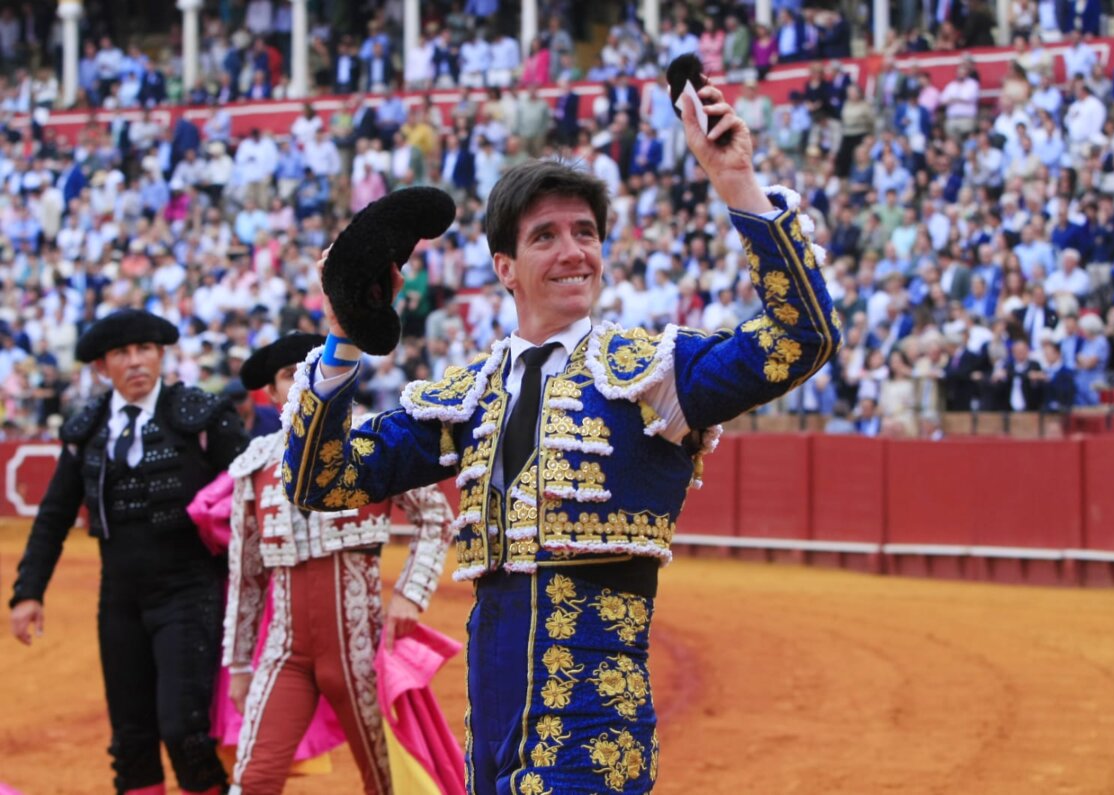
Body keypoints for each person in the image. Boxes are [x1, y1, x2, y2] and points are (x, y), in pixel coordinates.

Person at [282, 83, 840, 793]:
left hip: (594, 731)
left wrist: (735, 180)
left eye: (585, 231)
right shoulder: (472, 397)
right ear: (505, 268)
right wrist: (342, 339)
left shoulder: (651, 376)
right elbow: (321, 479)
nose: (573, 251)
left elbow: (803, 334)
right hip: (491, 728)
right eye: (545, 236)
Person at [9, 309, 248, 795]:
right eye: (122, 353)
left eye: (144, 350)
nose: (135, 362)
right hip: (119, 600)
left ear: (161, 354)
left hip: (189, 591)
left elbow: (251, 489)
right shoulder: (87, 430)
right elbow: (54, 516)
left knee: (185, 730)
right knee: (131, 738)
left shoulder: (201, 416)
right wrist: (27, 591)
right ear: (102, 366)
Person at [221, 334, 457, 795]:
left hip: (362, 648)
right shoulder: (254, 466)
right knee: (254, 778)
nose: (299, 385)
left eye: (307, 373)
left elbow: (435, 516)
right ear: (270, 393)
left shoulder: (370, 440)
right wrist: (240, 664)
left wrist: (410, 596)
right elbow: (246, 576)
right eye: (288, 376)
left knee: (389, 779)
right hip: (285, 651)